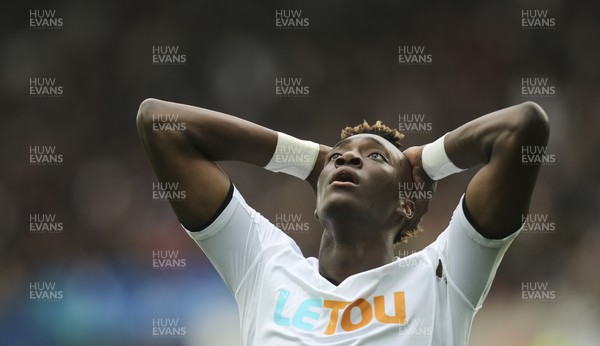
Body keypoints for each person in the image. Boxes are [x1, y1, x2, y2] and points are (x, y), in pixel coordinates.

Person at [136, 99, 549, 345]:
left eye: (375, 158)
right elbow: (159, 123)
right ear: (317, 199)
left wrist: (425, 163)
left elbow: (522, 128)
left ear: (406, 204)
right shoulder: (265, 266)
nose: (347, 158)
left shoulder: (442, 277)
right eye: (337, 155)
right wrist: (306, 159)